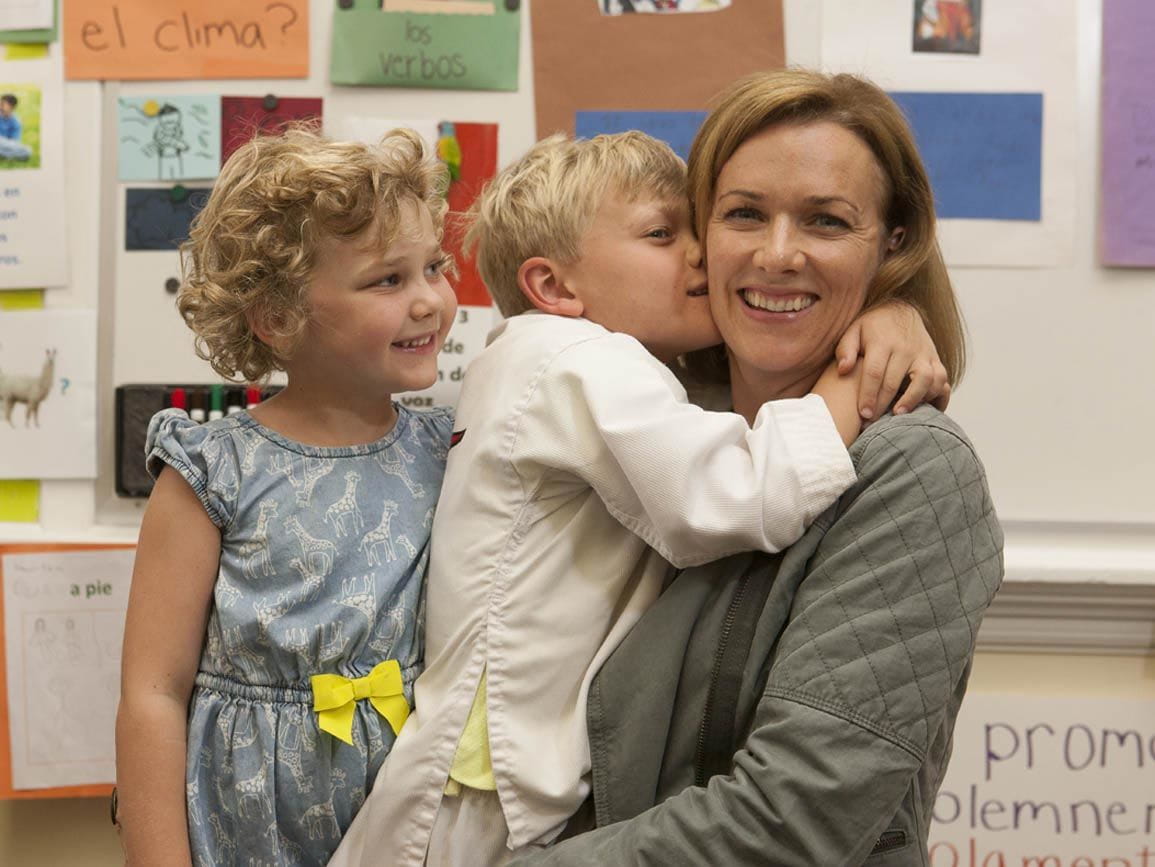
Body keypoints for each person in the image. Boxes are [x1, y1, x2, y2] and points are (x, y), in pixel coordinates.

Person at [330, 131, 949, 866]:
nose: (700, 254)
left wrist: (887, 310)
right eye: (662, 234)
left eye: (696, 227)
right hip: (489, 789)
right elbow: (736, 496)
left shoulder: (554, 358)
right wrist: (856, 374)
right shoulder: (576, 359)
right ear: (555, 288)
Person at [507, 69, 1004, 866]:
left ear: (894, 241)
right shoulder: (646, 424)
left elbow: (792, 820)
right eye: (743, 214)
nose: (777, 254)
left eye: (826, 221)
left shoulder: (913, 472)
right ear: (700, 232)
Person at [114, 126, 457, 866]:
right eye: (388, 280)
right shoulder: (212, 469)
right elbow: (152, 692)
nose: (430, 300)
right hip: (243, 828)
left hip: (407, 815)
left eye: (434, 267)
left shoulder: (453, 449)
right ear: (277, 317)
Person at [0, 93, 32, 161]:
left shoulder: (15, 122)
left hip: (6, 145)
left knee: (27, 150)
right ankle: (6, 155)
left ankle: (5, 155)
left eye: (2, 105)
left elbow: (15, 142)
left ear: (12, 107)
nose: (0, 107)